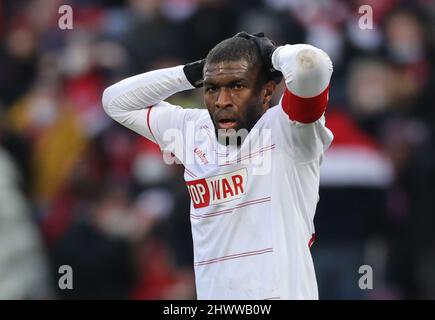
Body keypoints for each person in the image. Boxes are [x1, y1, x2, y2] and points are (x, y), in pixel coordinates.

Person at [102, 32, 333, 299]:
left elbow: (312, 63)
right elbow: (114, 101)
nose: (222, 100)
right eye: (212, 88)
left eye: (237, 86)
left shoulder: (291, 131)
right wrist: (196, 71)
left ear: (267, 90)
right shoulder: (192, 131)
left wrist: (271, 56)